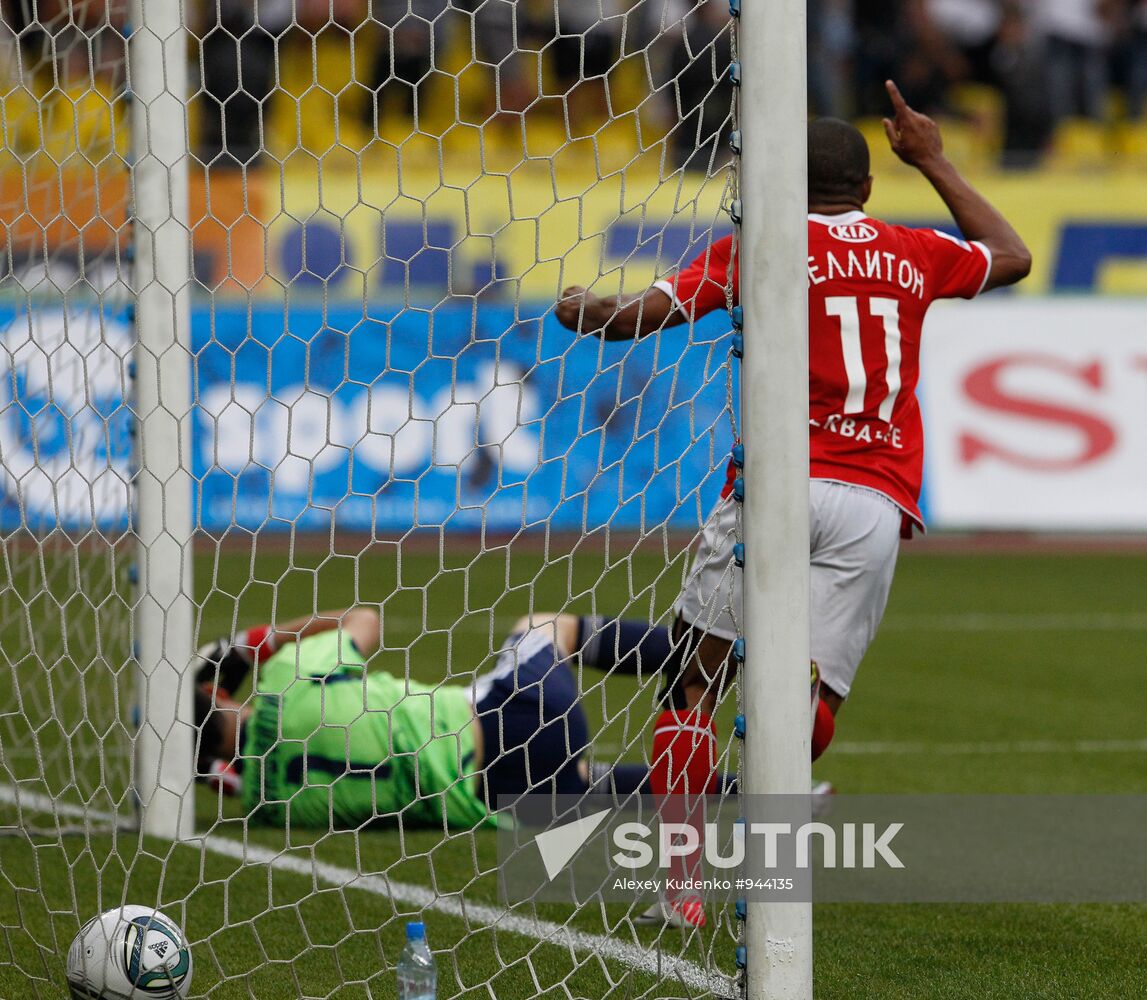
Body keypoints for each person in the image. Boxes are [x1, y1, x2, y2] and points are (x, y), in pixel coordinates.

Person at [554, 81, 1032, 926]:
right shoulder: (912, 249)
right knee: (813, 706)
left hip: (777, 486)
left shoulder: (760, 247)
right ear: (869, 188)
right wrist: (933, 158)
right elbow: (1011, 253)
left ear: (776, 177)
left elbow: (640, 316)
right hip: (876, 498)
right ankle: (771, 848)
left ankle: (682, 889)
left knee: (693, 684)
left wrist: (588, 310)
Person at [194, 607, 689, 828]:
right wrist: (254, 642)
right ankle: (700, 655)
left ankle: (735, 791)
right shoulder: (285, 678)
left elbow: (249, 776)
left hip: (503, 801)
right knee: (543, 627)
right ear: (220, 689)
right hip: (514, 717)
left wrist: (224, 775)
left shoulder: (268, 805)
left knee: (588, 784)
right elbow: (364, 619)